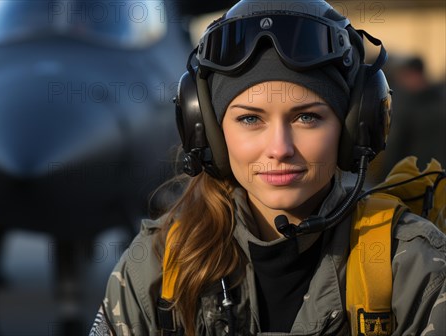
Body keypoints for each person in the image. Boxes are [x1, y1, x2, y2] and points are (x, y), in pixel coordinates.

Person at [90, 1, 446, 335]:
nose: (279, 149)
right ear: (208, 131)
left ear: (355, 126)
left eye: (307, 117)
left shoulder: (412, 269)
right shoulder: (155, 269)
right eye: (250, 119)